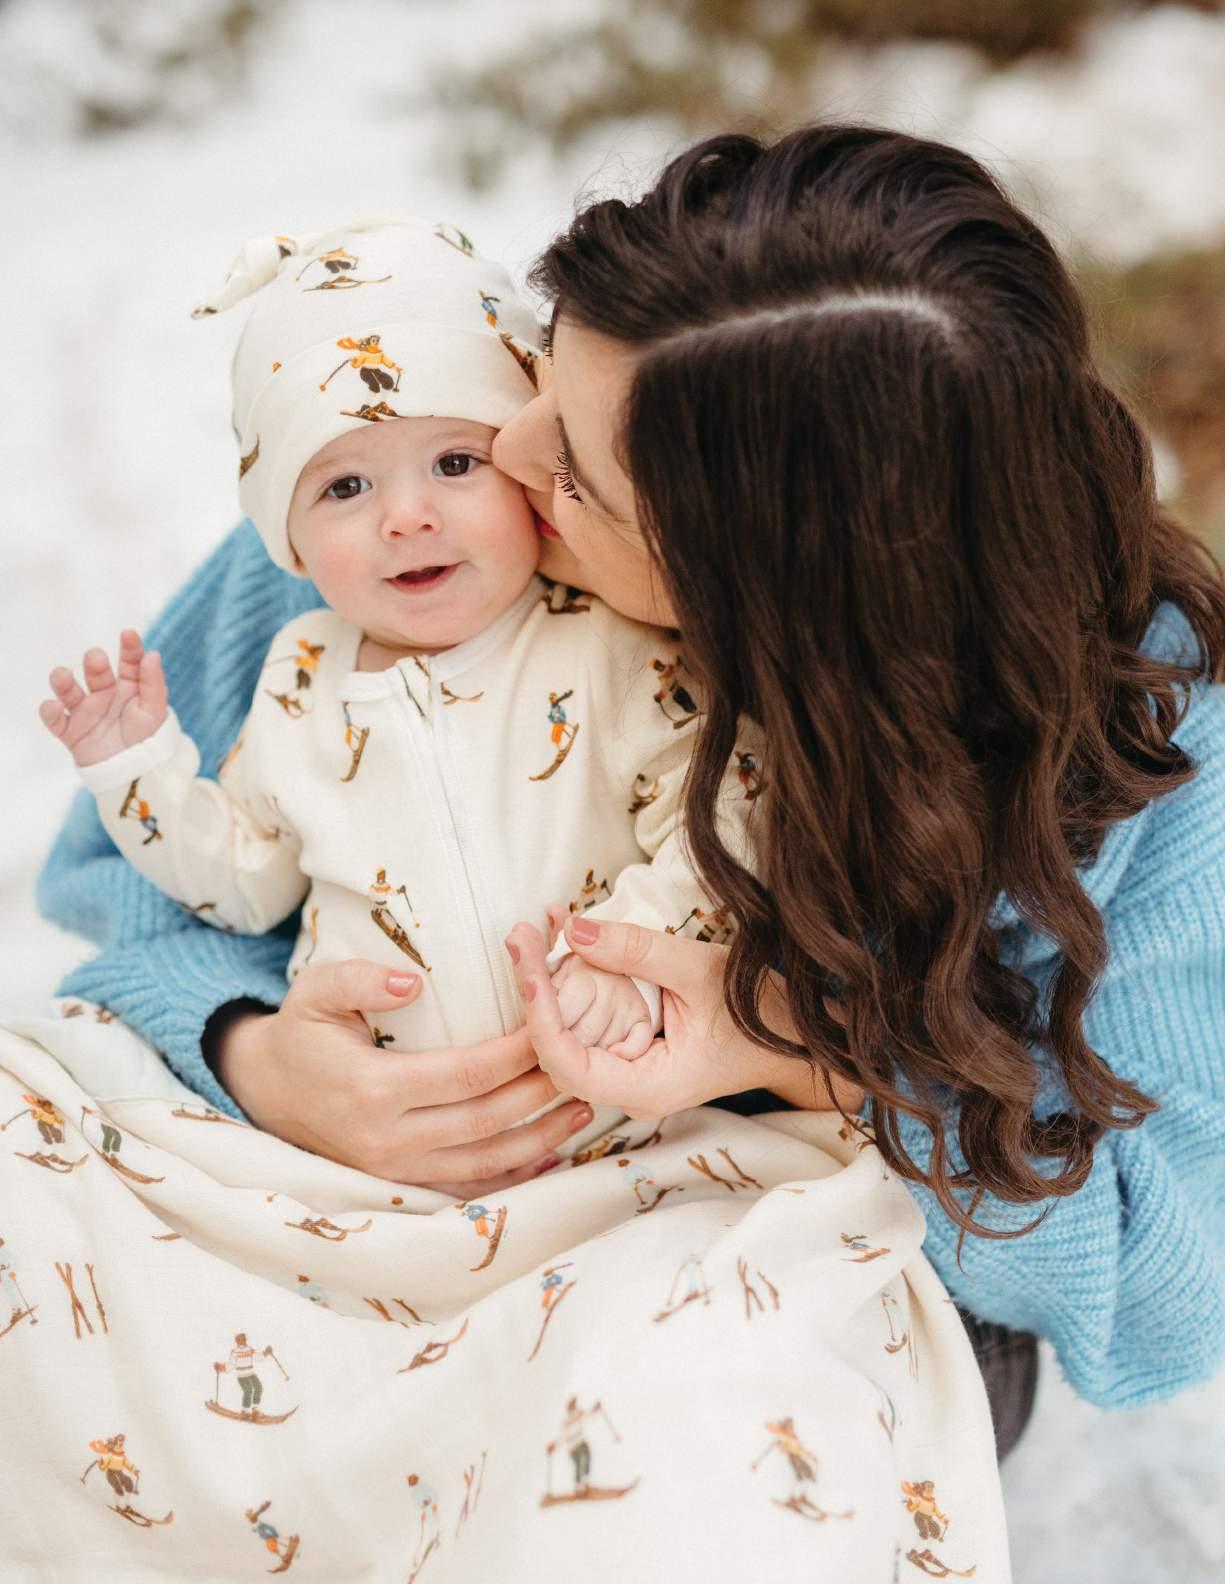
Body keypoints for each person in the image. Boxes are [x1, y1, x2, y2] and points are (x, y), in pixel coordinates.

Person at [37, 124, 1225, 1452]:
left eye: (578, 477)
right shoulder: (395, 520)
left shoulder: (1141, 750)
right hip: (369, 1217)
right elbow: (118, 884)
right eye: (542, 366)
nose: (503, 449)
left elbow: (1167, 1285)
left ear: (751, 592)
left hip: (774, 1286)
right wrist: (253, 1056)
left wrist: (800, 1054)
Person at [37, 217, 764, 1162]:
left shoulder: (607, 646)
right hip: (364, 1141)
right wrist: (139, 772)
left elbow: (728, 811)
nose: (407, 517)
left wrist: (631, 950)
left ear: (526, 468)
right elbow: (245, 882)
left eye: (456, 464)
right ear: (287, 541)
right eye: (344, 488)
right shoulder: (297, 677)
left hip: (619, 1128)